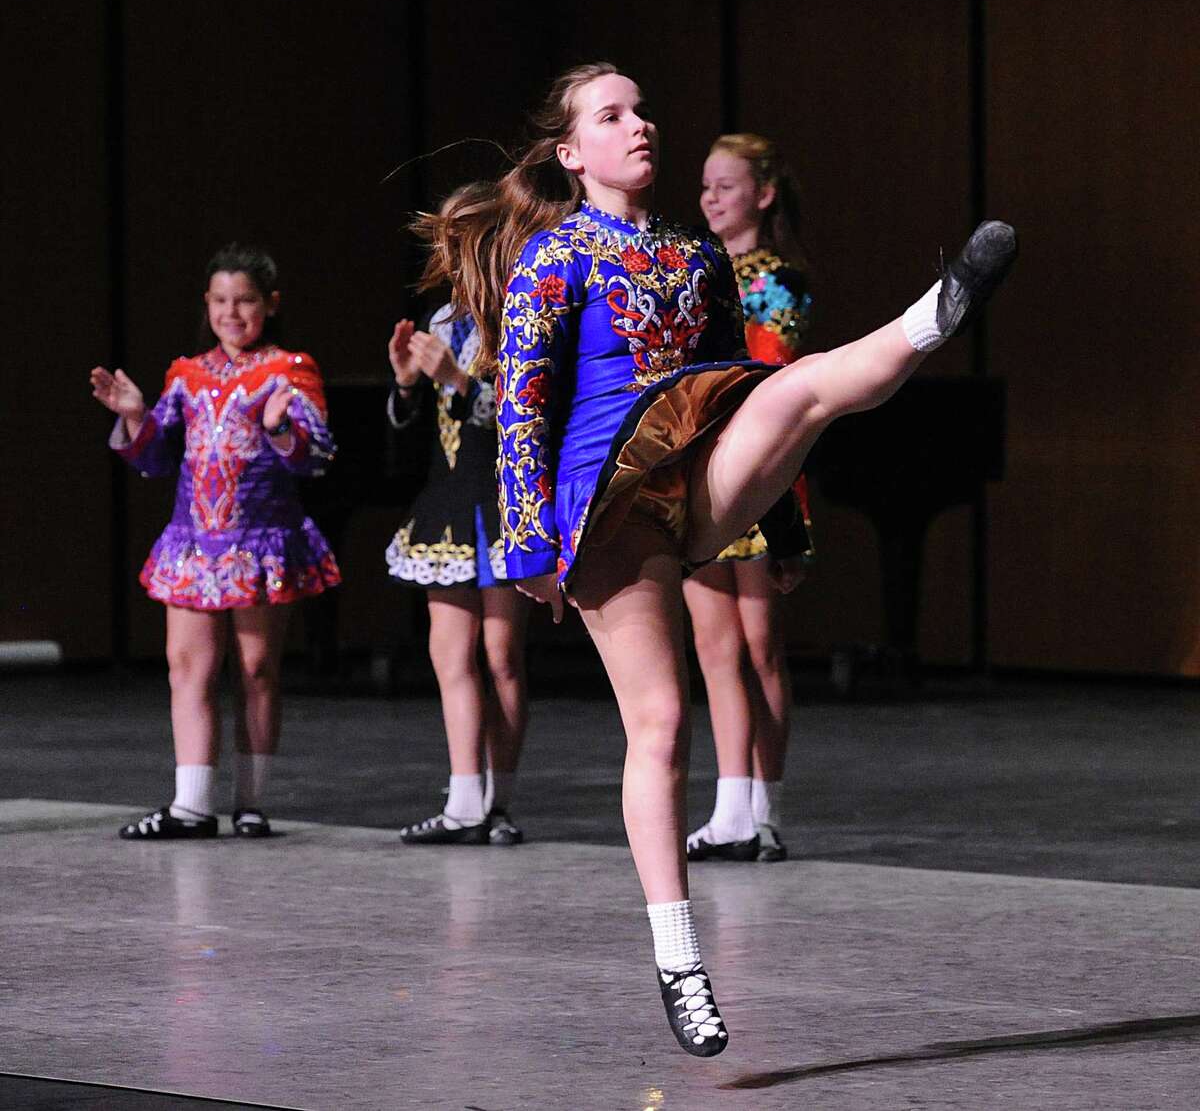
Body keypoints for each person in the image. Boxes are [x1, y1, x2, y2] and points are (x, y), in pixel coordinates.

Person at [416, 62, 1016, 1057]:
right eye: (613, 116)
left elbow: (739, 380)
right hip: (604, 502)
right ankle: (679, 958)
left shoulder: (696, 252)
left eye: (643, 107)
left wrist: (766, 512)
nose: (641, 124)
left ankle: (932, 316)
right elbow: (521, 401)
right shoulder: (554, 257)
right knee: (662, 725)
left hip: (694, 465)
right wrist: (525, 541)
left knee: (796, 388)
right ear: (572, 153)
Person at [91, 244, 340, 840]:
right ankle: (192, 804)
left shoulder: (290, 368)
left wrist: (280, 428)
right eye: (222, 301)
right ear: (207, 304)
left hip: (259, 540)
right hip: (195, 542)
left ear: (270, 305)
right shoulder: (187, 373)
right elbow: (155, 457)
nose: (233, 313)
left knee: (256, 669)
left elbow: (317, 457)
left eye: (246, 301)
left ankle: (251, 802)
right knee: (188, 668)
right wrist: (133, 416)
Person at [684, 132, 817, 864]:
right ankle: (729, 806)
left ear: (763, 195)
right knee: (715, 645)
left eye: (725, 186)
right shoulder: (699, 273)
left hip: (762, 471)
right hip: (700, 470)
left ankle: (765, 808)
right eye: (705, 186)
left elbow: (765, 368)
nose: (710, 199)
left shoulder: (780, 281)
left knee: (762, 645)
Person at [384, 262, 530, 846]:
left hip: (501, 502)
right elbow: (405, 436)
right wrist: (404, 381)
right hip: (446, 504)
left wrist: (461, 381)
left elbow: (530, 417)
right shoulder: (439, 320)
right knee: (450, 653)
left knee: (501, 654)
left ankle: (500, 803)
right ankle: (465, 800)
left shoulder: (522, 316)